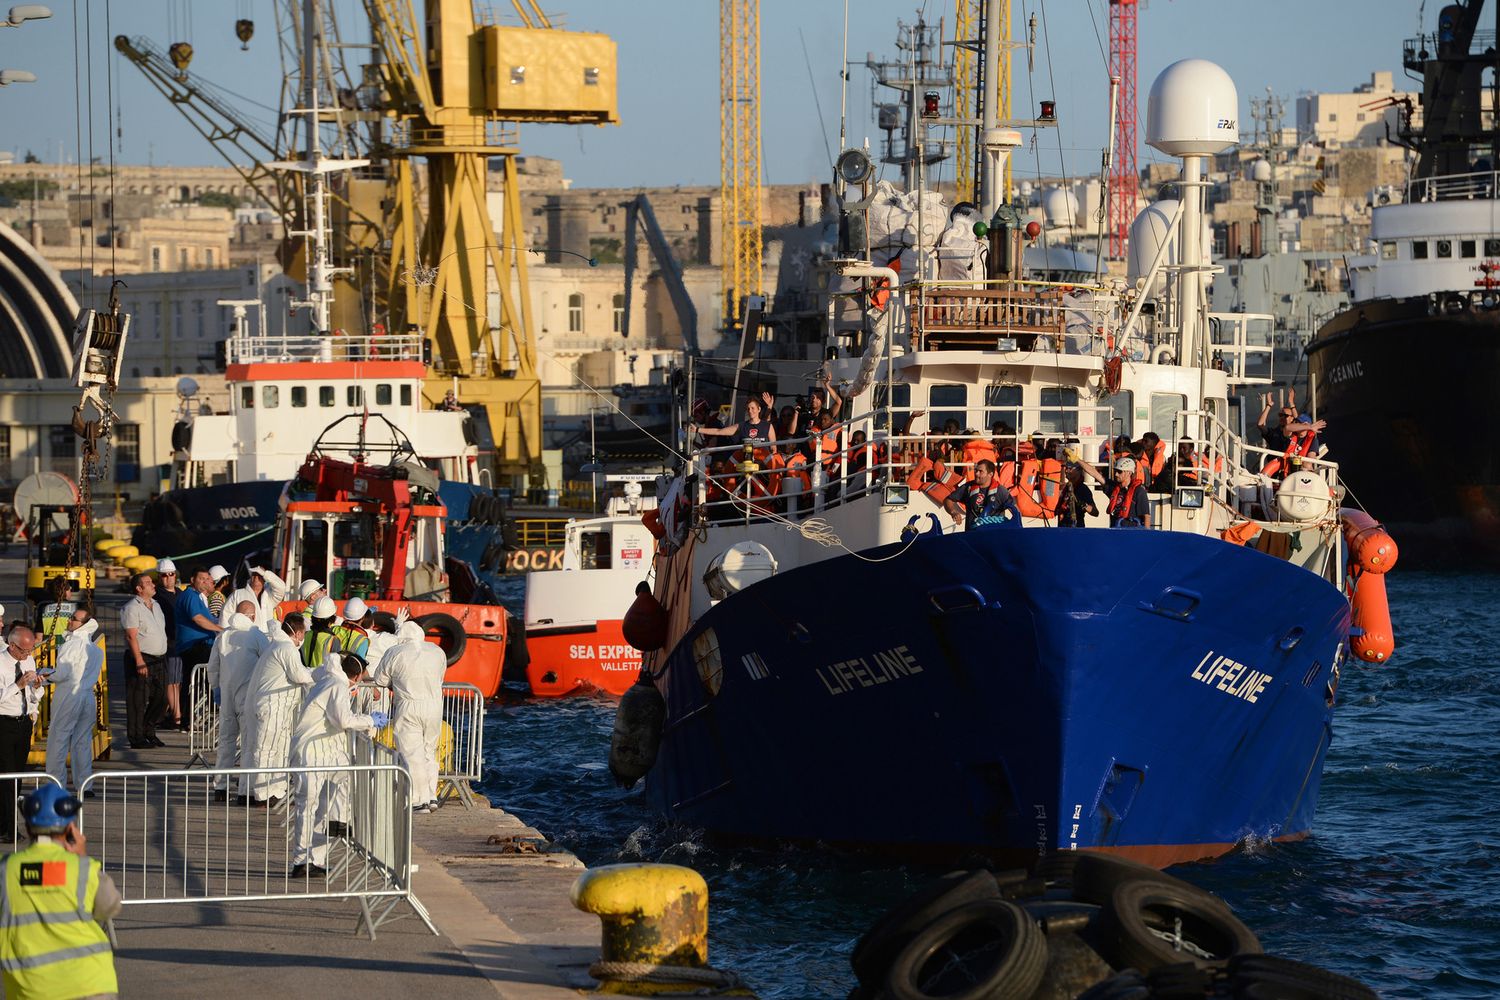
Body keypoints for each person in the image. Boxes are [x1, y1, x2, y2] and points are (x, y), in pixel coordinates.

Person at [0, 785, 121, 999]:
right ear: (70, 829)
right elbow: (110, 905)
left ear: (28, 828)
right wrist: (82, 858)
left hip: (30, 989)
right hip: (90, 985)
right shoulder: (82, 869)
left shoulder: (6, 871)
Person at [288, 652, 383, 878]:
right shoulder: (337, 685)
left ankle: (316, 859)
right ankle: (302, 861)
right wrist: (370, 720)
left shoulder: (330, 681)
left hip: (323, 752)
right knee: (309, 807)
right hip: (312, 753)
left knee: (323, 806)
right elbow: (342, 720)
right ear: (357, 675)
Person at [373, 621, 446, 814]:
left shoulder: (395, 652)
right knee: (430, 750)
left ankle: (417, 800)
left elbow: (380, 679)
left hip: (408, 704)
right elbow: (440, 677)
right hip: (434, 705)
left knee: (411, 753)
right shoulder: (437, 651)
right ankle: (431, 795)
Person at [243, 615, 315, 808]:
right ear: (298, 632)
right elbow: (300, 675)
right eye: (304, 634)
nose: (304, 637)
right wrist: (320, 674)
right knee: (265, 750)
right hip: (272, 706)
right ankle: (262, 794)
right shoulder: (286, 649)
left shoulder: (276, 646)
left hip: (276, 706)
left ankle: (272, 790)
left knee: (274, 750)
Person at [207, 602, 270, 803]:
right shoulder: (255, 635)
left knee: (225, 740)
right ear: (252, 616)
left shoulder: (223, 636)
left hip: (226, 694)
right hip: (248, 695)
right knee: (248, 744)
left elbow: (213, 666)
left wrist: (215, 687)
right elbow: (270, 660)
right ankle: (245, 790)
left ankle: (221, 787)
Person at [44, 610, 104, 797]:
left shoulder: (72, 644)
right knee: (82, 741)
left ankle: (56, 786)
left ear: (83, 624)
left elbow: (61, 674)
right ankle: (85, 786)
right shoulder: (95, 649)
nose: (69, 621)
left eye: (73, 619)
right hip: (87, 696)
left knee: (58, 739)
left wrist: (44, 675)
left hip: (69, 694)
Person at [0, 627, 43, 840]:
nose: (28, 655)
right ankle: (8, 828)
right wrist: (17, 685)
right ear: (12, 646)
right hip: (4, 724)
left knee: (17, 777)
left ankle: (5, 823)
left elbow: (33, 695)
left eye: (30, 650)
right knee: (7, 777)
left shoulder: (28, 661)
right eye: (24, 651)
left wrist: (36, 687)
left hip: (23, 723)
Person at [120, 572, 168, 751]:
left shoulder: (156, 605)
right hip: (141, 657)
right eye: (148, 583)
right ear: (139, 588)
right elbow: (131, 636)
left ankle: (149, 730)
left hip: (159, 658)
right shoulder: (131, 607)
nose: (153, 585)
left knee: (162, 697)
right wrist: (139, 660)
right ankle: (136, 737)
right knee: (137, 700)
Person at [173, 567, 223, 732]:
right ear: (193, 579)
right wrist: (220, 630)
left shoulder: (199, 598)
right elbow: (198, 619)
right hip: (193, 645)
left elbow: (207, 618)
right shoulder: (190, 596)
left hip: (200, 644)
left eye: (206, 578)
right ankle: (207, 711)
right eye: (201, 578)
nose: (204, 581)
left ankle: (194, 717)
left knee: (195, 681)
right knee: (201, 679)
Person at [944, 459, 1021, 529]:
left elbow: (1016, 512)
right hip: (972, 535)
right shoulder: (968, 487)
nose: (977, 474)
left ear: (990, 474)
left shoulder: (1001, 491)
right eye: (976, 470)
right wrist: (953, 512)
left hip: (995, 536)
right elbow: (948, 500)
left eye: (981, 471)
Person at [154, 560, 183, 735]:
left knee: (177, 682)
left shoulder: (180, 593)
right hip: (168, 643)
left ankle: (174, 713)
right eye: (164, 575)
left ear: (175, 575)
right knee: (171, 681)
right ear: (159, 577)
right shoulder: (158, 596)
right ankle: (177, 716)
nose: (168, 578)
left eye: (170, 574)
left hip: (181, 643)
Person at [688, 395, 778, 447]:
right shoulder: (741, 426)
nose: (750, 411)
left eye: (753, 408)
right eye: (748, 408)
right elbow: (719, 431)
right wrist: (697, 430)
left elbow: (773, 448)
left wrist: (769, 407)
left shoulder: (767, 426)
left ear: (759, 409)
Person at [219, 566, 289, 632]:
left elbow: (281, 587)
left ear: (265, 579)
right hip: (245, 640)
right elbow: (225, 617)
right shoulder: (237, 594)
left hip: (267, 640)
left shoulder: (270, 596)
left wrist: (265, 574)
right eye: (254, 575)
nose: (256, 577)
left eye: (259, 575)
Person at [1107, 457, 1151, 528]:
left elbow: (1146, 516)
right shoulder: (1114, 488)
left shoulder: (1139, 491)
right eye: (1115, 471)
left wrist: (1145, 536)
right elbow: (1096, 475)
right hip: (1115, 532)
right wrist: (1081, 461)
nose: (1116, 474)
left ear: (1129, 473)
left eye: (1119, 471)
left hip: (1131, 533)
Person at [302, 597, 342, 670]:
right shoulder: (333, 640)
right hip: (323, 679)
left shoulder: (305, 635)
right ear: (332, 619)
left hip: (306, 675)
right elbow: (335, 668)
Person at [35, 578, 77, 645]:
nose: (71, 591)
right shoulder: (75, 609)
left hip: (50, 650)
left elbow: (38, 638)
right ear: (65, 591)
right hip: (68, 649)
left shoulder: (44, 609)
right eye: (69, 589)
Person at [331, 597, 372, 663]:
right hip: (348, 672)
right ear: (362, 618)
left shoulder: (333, 629)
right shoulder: (362, 640)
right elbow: (359, 665)